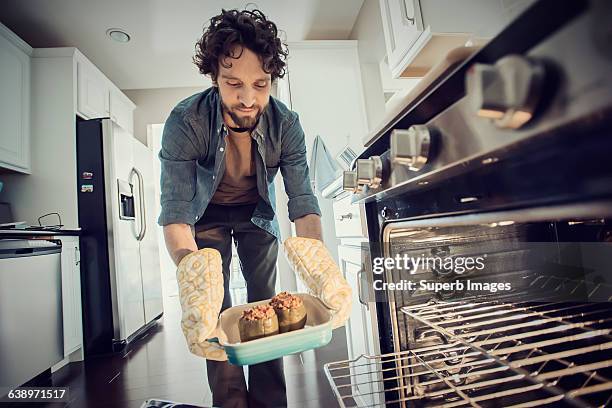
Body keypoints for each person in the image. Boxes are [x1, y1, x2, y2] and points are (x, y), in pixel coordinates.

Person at [158, 8, 323, 408]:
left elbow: (302, 202)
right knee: (216, 311)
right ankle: (230, 401)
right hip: (204, 215)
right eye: (233, 83)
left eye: (260, 85)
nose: (248, 99)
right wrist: (195, 279)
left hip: (257, 214)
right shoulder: (186, 122)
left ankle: (270, 402)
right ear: (214, 78)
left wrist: (319, 270)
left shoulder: (287, 125)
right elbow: (176, 213)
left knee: (269, 305)